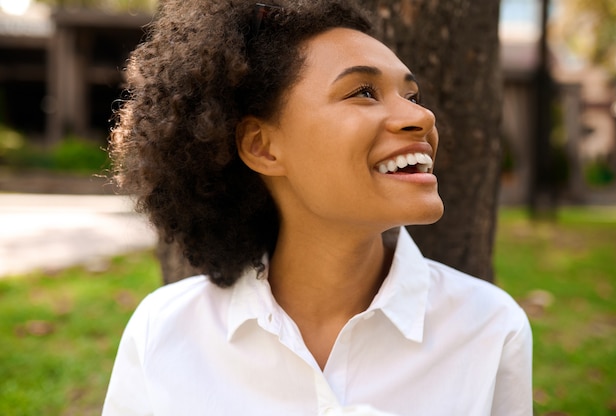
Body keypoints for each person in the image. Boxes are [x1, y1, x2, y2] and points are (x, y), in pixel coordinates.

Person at [103, 0, 533, 415]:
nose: (421, 118)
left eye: (413, 96)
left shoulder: (489, 328)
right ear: (262, 147)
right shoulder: (164, 331)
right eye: (363, 92)